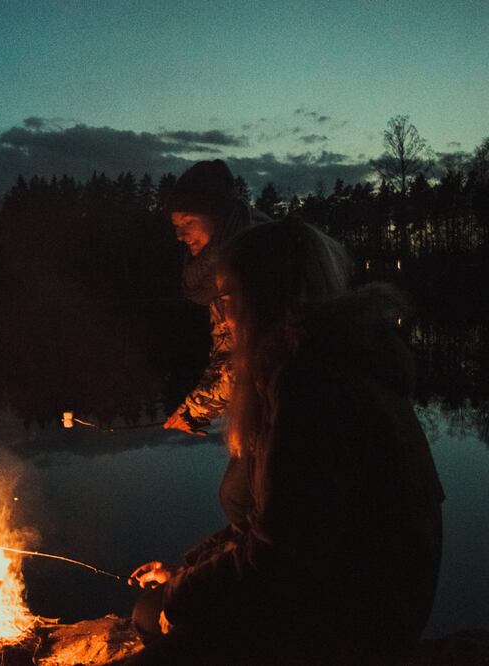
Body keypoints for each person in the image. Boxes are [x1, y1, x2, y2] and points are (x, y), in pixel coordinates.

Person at [125, 221, 445, 664]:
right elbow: (274, 524)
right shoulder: (307, 367)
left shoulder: (312, 384)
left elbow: (281, 558)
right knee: (150, 612)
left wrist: (184, 592)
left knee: (160, 624)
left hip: (359, 616)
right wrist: (185, 573)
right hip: (336, 590)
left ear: (264, 297)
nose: (222, 316)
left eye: (227, 297)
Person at [163, 159, 265, 438]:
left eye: (188, 222)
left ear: (217, 216)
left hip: (293, 409)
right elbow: (226, 352)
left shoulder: (256, 261)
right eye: (176, 225)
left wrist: (194, 411)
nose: (180, 235)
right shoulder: (220, 269)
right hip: (265, 410)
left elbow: (253, 358)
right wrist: (190, 409)